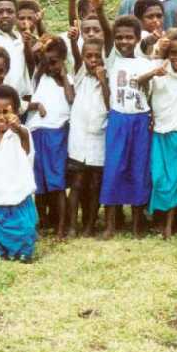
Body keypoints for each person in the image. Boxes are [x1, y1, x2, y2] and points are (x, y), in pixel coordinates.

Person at [100, 15, 156, 239]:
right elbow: (106, 32)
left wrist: (152, 114)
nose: (124, 41)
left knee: (138, 169)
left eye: (129, 37)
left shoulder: (146, 63)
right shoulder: (112, 59)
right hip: (118, 118)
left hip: (140, 120)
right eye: (119, 37)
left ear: (137, 38)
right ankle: (110, 225)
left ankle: (137, 223)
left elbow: (151, 94)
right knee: (114, 168)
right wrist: (100, 10)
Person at [138, 29, 177, 239]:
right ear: (167, 53)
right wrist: (154, 70)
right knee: (158, 178)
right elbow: (139, 82)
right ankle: (159, 220)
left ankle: (169, 226)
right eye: (174, 53)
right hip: (158, 133)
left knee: (175, 179)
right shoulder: (159, 69)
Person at [0, 85, 38, 262]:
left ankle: (21, 250)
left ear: (16, 112)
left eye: (6, 111)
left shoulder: (22, 134)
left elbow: (25, 143)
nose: (1, 116)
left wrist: (18, 128)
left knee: (23, 249)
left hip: (18, 201)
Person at [26, 35, 74, 238]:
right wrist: (39, 49)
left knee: (56, 181)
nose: (50, 66)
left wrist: (64, 76)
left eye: (54, 62)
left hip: (56, 134)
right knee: (38, 182)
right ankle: (42, 221)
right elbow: (33, 55)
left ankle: (61, 226)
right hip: (36, 132)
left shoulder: (68, 81)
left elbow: (71, 99)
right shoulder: (39, 77)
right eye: (46, 62)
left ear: (63, 60)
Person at [67, 35, 109, 237]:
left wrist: (104, 82)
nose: (93, 60)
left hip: (98, 138)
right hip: (79, 138)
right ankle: (72, 226)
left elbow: (110, 106)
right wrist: (74, 41)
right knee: (76, 183)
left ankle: (90, 225)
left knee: (94, 185)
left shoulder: (108, 77)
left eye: (97, 56)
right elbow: (76, 56)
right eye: (89, 56)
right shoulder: (80, 74)